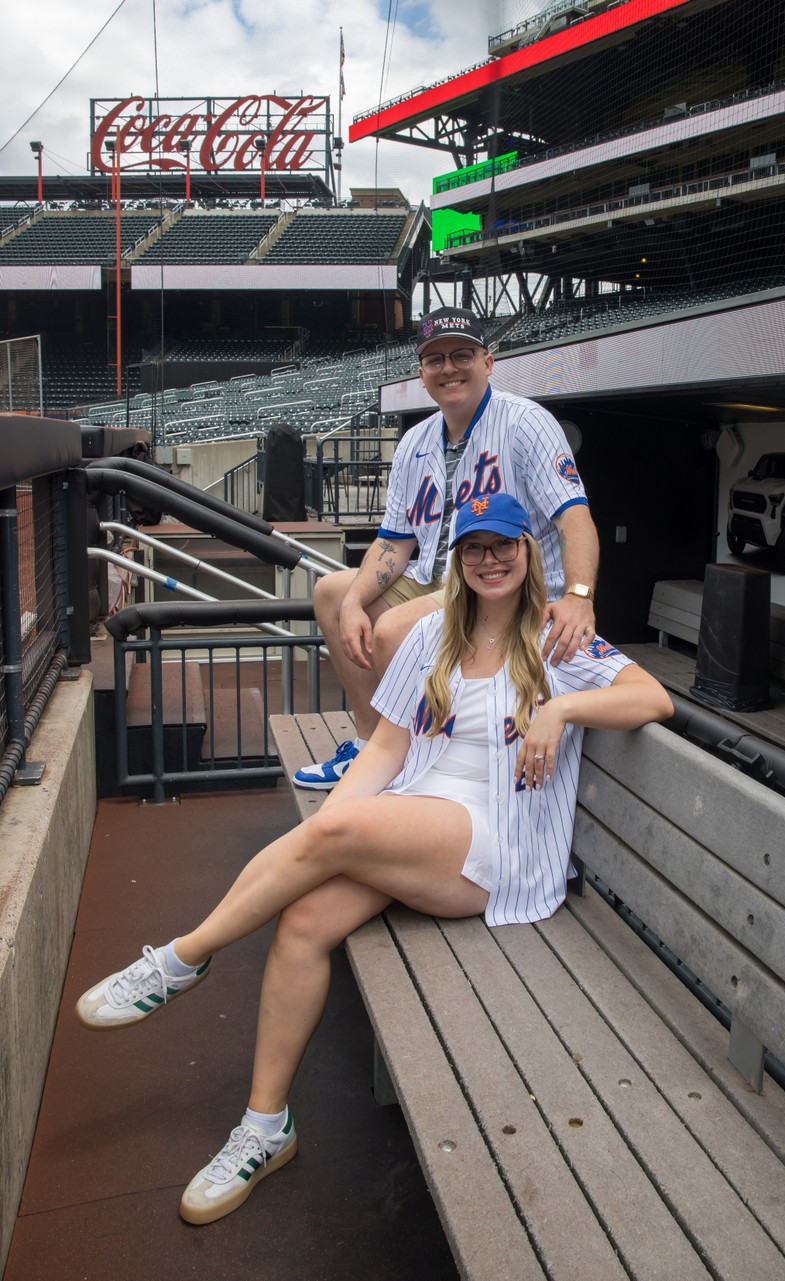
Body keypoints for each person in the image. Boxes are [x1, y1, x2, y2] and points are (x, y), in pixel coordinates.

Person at [75, 494, 672, 1227]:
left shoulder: (557, 640)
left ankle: (183, 957)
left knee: (336, 836)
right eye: (475, 547)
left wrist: (560, 709)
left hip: (497, 844)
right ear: (456, 559)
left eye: (504, 546)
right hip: (415, 818)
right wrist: (336, 830)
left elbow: (654, 697)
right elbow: (386, 749)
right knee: (302, 917)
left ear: (527, 553)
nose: (491, 560)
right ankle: (265, 1129)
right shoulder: (432, 638)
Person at [293, 305, 600, 792]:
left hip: (506, 585)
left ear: (487, 363)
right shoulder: (416, 440)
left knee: (393, 629)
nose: (449, 368)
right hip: (441, 578)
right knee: (331, 593)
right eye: (435, 360)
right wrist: (353, 602)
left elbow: (574, 518)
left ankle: (409, 759)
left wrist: (581, 595)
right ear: (422, 372)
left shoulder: (526, 422)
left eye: (462, 355)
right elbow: (394, 542)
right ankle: (372, 745)